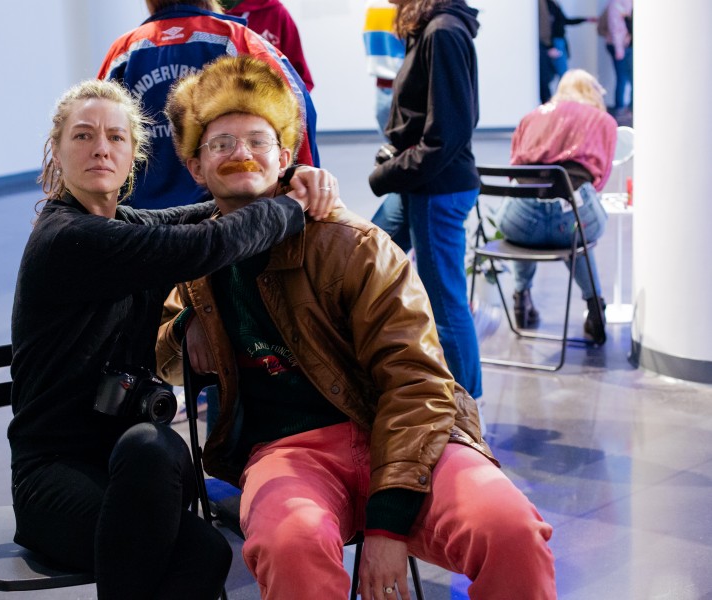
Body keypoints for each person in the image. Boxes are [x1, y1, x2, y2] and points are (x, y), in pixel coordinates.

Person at [157, 54, 556, 600]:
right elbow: (164, 354)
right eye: (221, 143)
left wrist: (387, 525)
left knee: (511, 530)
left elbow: (417, 381)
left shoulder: (353, 246)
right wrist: (185, 327)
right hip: (287, 452)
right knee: (289, 544)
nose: (240, 153)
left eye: (257, 139)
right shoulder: (196, 259)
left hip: (405, 434)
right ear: (196, 166)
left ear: (284, 157)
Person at [8, 77, 338, 600]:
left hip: (125, 464)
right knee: (189, 546)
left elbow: (197, 214)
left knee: (175, 488)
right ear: (57, 150)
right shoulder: (67, 239)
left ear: (133, 154)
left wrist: (285, 176)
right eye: (83, 135)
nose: (100, 148)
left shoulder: (122, 223)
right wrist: (291, 208)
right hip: (53, 477)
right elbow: (203, 243)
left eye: (116, 137)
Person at [97, 0, 319, 211]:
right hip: (227, 217)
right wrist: (303, 181)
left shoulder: (125, 51)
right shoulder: (235, 39)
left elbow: (92, 128)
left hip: (140, 218)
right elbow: (297, 110)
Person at [368, 0, 483, 401]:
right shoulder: (430, 28)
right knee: (365, 261)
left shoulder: (442, 32)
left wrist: (388, 173)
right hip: (421, 183)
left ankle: (467, 410)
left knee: (447, 306)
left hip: (437, 188)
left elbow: (447, 135)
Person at [497, 69, 617, 345]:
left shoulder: (531, 117)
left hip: (521, 219)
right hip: (574, 216)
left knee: (528, 232)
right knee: (578, 235)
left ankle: (521, 298)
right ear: (593, 92)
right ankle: (595, 307)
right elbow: (600, 180)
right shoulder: (603, 121)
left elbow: (513, 168)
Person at [364, 0, 412, 253]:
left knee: (404, 167)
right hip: (393, 86)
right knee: (403, 167)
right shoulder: (391, 8)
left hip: (392, 87)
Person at [225, 0, 315, 91]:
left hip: (269, 97)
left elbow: (300, 79)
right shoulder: (216, 13)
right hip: (222, 94)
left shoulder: (277, 13)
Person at [539, 0, 596, 103]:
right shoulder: (545, 3)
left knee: (561, 75)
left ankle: (563, 102)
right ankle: (561, 103)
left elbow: (563, 21)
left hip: (559, 42)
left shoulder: (554, 4)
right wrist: (549, 46)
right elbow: (544, 25)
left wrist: (584, 19)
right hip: (554, 43)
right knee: (561, 76)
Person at [599, 0, 633, 120]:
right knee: (623, 78)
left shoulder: (624, 4)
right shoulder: (617, 4)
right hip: (621, 46)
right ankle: (621, 108)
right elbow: (616, 28)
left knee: (625, 78)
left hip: (624, 45)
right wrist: (619, 49)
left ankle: (625, 108)